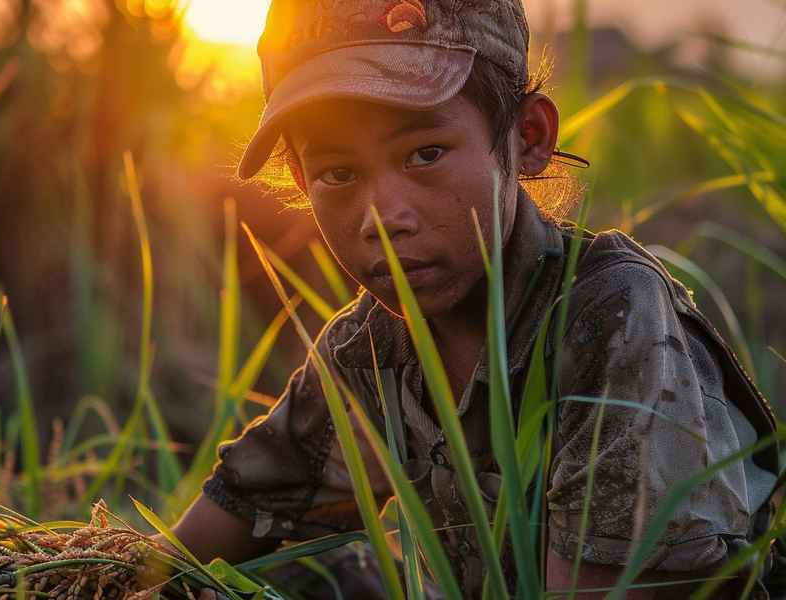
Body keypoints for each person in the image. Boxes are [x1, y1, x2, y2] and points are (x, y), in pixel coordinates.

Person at [165, 0, 781, 598]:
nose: (384, 218)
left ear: (527, 138)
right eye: (338, 174)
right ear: (300, 179)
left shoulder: (609, 319)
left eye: (425, 154)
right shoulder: (369, 352)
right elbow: (190, 547)